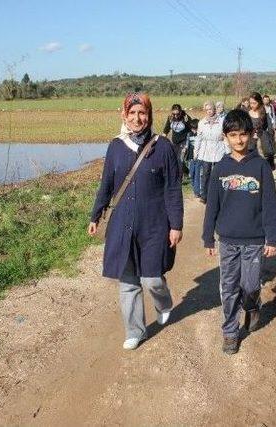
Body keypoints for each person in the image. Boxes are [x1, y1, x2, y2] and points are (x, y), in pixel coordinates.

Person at [88, 93, 184, 351]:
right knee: (128, 280)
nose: (137, 118)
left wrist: (176, 224)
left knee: (152, 278)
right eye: (132, 114)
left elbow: (173, 188)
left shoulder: (163, 147)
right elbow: (106, 184)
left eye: (142, 113)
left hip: (154, 225)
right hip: (122, 225)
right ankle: (135, 330)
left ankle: (163, 303)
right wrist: (95, 215)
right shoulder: (116, 146)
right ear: (124, 116)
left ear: (149, 115)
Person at [202, 109, 276, 354]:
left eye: (243, 134)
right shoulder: (220, 169)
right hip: (227, 240)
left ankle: (252, 304)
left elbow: (270, 204)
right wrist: (208, 237)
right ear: (225, 136)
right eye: (233, 135)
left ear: (251, 135)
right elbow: (212, 205)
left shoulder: (260, 167)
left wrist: (273, 237)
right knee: (228, 286)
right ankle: (229, 331)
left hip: (254, 241)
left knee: (250, 284)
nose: (239, 140)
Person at [195, 101, 226, 203]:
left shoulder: (222, 121)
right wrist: (196, 152)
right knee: (205, 174)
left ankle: (219, 195)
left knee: (219, 174)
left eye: (211, 109)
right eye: (207, 110)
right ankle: (204, 196)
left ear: (214, 109)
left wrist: (228, 151)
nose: (209, 111)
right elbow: (198, 138)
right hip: (206, 151)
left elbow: (226, 137)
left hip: (219, 150)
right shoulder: (201, 123)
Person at [247, 92, 276, 170]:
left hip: (262, 145)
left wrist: (265, 137)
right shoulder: (246, 114)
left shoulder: (264, 115)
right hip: (249, 145)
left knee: (263, 167)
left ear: (259, 102)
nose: (252, 105)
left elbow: (270, 130)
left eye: (254, 103)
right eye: (250, 103)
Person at [185, 119, 201, 196]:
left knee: (197, 174)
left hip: (198, 157)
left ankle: (197, 192)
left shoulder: (200, 135)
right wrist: (184, 150)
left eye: (195, 128)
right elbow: (187, 144)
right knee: (191, 174)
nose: (194, 130)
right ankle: (195, 188)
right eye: (192, 128)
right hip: (191, 157)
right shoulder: (189, 134)